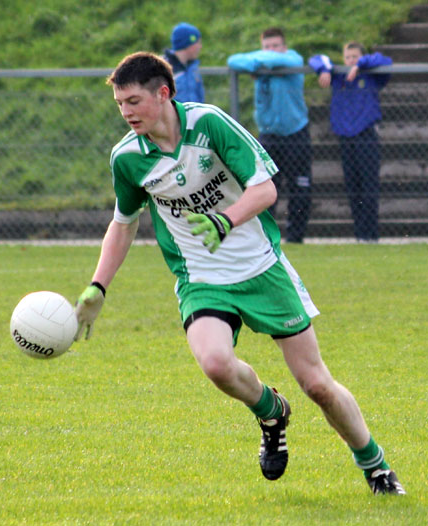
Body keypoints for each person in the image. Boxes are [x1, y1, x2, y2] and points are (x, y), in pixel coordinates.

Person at [74, 51, 405, 495]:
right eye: (119, 104)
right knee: (214, 363)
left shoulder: (210, 125)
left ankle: (376, 466)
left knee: (317, 384)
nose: (126, 112)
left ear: (163, 93)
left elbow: (265, 188)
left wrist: (223, 220)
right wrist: (98, 286)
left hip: (262, 269)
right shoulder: (127, 159)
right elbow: (124, 222)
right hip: (202, 277)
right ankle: (271, 411)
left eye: (133, 101)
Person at [227, 27, 312, 243]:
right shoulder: (262, 62)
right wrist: (261, 63)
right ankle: (266, 237)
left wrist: (259, 62)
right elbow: (233, 60)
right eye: (266, 47)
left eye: (276, 47)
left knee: (299, 187)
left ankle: (295, 238)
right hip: (268, 136)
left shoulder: (293, 59)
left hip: (296, 133)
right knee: (264, 188)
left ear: (284, 47)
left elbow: (287, 61)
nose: (271, 51)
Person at [309, 42, 393, 243]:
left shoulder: (370, 75)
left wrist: (361, 64)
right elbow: (316, 58)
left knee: (369, 186)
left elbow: (385, 60)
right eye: (348, 57)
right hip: (346, 137)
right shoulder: (339, 76)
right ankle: (359, 235)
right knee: (353, 186)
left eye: (355, 57)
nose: (351, 61)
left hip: (366, 136)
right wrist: (324, 70)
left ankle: (371, 235)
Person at [163, 22, 204, 103]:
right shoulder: (163, 68)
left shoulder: (193, 69)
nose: (200, 46)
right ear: (189, 44)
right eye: (198, 43)